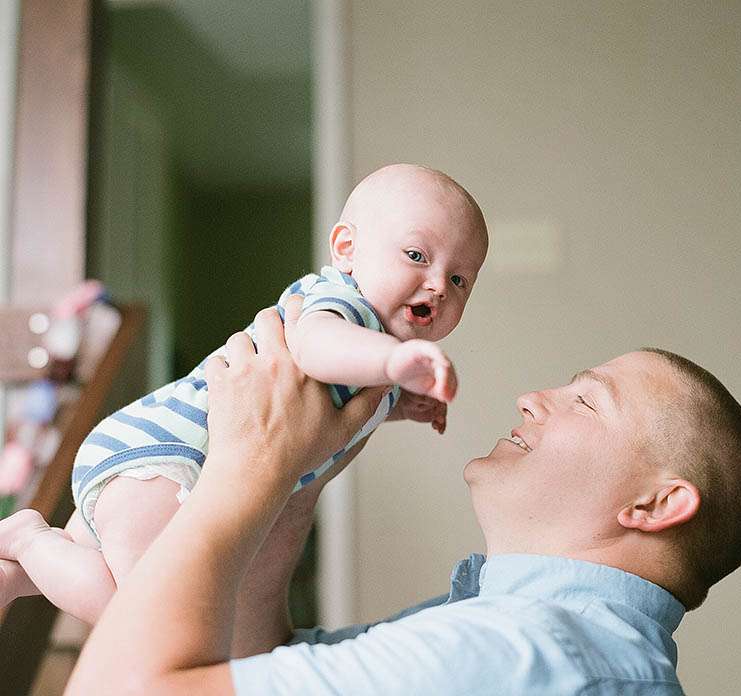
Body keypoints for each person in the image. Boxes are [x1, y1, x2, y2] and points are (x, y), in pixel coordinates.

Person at [65, 297, 741, 695]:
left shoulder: (532, 655)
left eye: (588, 403)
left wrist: (242, 468)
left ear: (654, 506)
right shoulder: (510, 629)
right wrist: (295, 476)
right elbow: (257, 661)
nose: (534, 398)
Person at [0, 164, 489, 656]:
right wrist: (393, 362)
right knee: (147, 616)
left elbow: (339, 394)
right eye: (416, 255)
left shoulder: (372, 346)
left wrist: (402, 403)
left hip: (164, 465)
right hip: (162, 456)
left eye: (460, 278)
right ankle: (29, 542)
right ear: (346, 250)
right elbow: (317, 347)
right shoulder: (342, 305)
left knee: (115, 575)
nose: (437, 285)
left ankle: (19, 575)